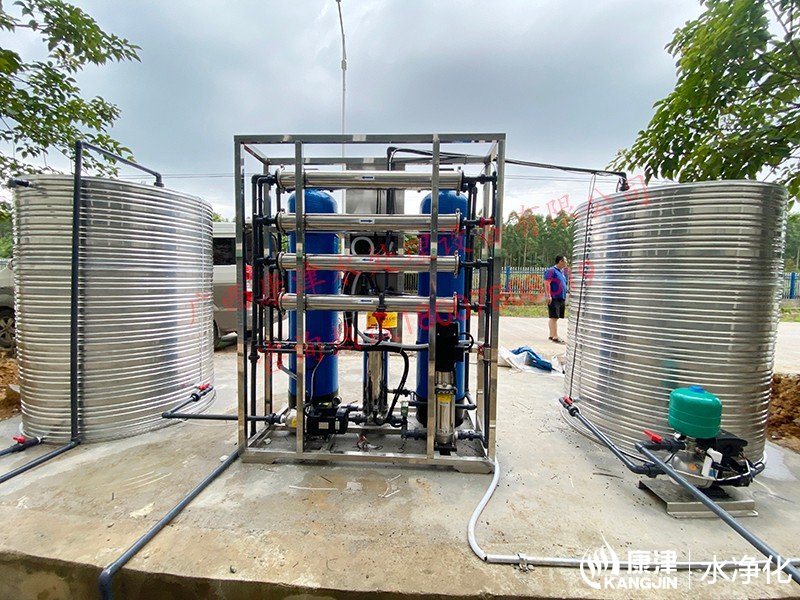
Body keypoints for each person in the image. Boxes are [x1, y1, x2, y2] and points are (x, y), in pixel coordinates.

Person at [544, 255, 568, 343]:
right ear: (560, 261)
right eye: (565, 261)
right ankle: (555, 336)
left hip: (561, 297)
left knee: (555, 317)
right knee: (554, 317)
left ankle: (551, 335)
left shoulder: (561, 272)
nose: (566, 263)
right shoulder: (551, 271)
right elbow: (547, 282)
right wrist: (548, 295)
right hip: (554, 297)